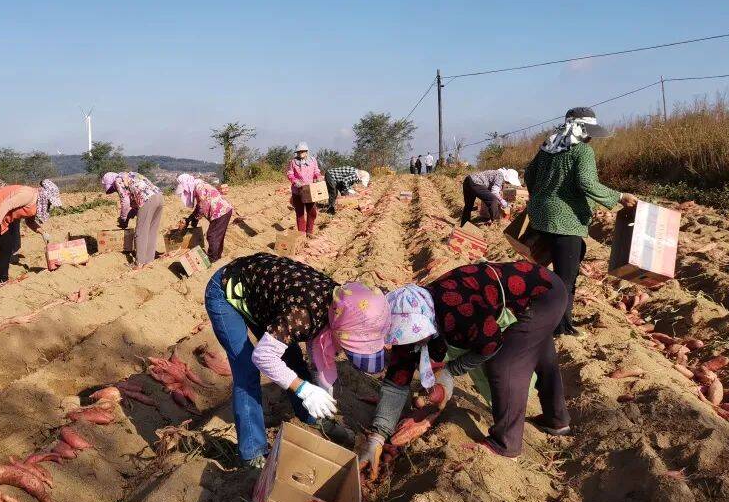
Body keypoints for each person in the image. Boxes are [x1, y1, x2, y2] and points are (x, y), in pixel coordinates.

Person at [357, 261, 569, 472]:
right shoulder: (414, 315)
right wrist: (377, 436)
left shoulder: (458, 311)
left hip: (544, 295)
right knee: (538, 348)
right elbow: (396, 381)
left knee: (505, 363)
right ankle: (556, 419)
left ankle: (506, 443)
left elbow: (491, 344)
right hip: (534, 287)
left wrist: (451, 370)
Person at [204, 252, 389, 468]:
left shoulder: (344, 302)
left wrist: (323, 392)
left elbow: (318, 347)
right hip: (226, 292)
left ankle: (314, 418)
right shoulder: (303, 314)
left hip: (263, 298)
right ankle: (252, 452)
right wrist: (304, 389)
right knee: (247, 371)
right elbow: (263, 356)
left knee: (292, 356)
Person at [524, 107, 637, 336]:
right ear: (583, 130)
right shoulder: (581, 151)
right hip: (566, 220)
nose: (591, 137)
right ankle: (561, 327)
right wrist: (619, 197)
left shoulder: (548, 148)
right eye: (590, 132)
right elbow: (587, 183)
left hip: (541, 217)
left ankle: (540, 314)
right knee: (566, 277)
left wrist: (542, 197)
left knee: (550, 269)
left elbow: (529, 176)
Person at [0, 180, 61, 286]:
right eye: (50, 201)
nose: (50, 204)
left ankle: (1, 278)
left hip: (2, 217)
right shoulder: (28, 195)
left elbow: (30, 221)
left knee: (7, 246)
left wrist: (43, 232)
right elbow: (6, 205)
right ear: (45, 196)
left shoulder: (36, 203)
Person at [102, 171, 163, 267]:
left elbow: (125, 201)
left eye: (112, 188)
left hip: (147, 199)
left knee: (141, 232)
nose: (114, 190)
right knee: (151, 231)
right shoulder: (131, 175)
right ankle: (149, 261)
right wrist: (130, 214)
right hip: (159, 197)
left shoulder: (118, 180)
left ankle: (139, 263)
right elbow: (135, 197)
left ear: (111, 182)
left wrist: (123, 219)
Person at [177, 173, 232, 262]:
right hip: (224, 211)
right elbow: (199, 206)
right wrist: (190, 219)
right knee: (217, 236)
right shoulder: (200, 185)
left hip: (221, 212)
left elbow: (202, 206)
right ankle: (217, 256)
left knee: (212, 235)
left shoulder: (199, 187)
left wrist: (194, 219)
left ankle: (212, 258)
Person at [286, 142, 322, 235]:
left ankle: (309, 232)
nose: (300, 153)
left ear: (307, 152)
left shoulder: (313, 160)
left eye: (302, 151)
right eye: (299, 152)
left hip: (309, 190)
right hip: (297, 191)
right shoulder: (293, 162)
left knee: (312, 212)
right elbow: (290, 174)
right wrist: (295, 181)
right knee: (300, 213)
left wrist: (318, 176)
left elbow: (316, 170)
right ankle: (301, 235)